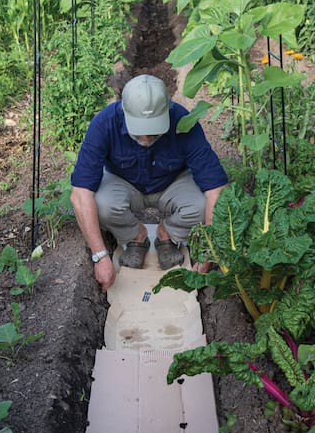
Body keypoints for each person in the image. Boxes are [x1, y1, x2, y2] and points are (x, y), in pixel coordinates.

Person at [70, 74, 228, 292]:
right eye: (139, 131)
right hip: (124, 184)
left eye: (153, 132)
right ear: (124, 112)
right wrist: (100, 256)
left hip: (172, 184)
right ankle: (136, 236)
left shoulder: (183, 121)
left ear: (167, 111)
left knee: (203, 206)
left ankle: (167, 234)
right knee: (100, 204)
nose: (145, 138)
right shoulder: (104, 124)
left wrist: (208, 255)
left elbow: (216, 190)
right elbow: (80, 194)